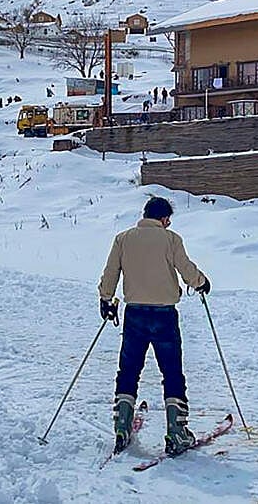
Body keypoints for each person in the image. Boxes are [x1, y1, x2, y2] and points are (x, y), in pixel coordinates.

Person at [99, 196, 211, 457]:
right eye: (168, 220)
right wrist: (201, 282)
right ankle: (176, 432)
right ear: (163, 218)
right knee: (172, 373)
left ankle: (122, 425)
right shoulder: (171, 239)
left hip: (134, 313)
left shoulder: (123, 238)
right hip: (164, 315)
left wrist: (106, 299)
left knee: (128, 370)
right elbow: (185, 269)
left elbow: (111, 272)